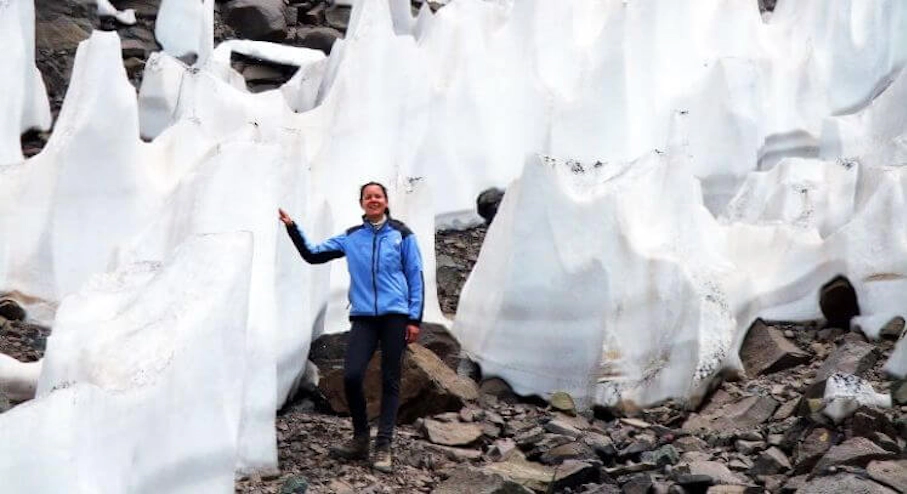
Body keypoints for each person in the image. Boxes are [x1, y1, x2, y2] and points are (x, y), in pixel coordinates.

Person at [278, 181, 424, 473]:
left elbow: (415, 274)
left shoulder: (402, 234)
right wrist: (292, 227)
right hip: (363, 317)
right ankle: (360, 439)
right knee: (352, 376)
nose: (373, 200)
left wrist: (414, 319)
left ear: (385, 201)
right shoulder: (351, 237)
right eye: (368, 197)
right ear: (361, 204)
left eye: (378, 196)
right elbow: (313, 254)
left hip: (395, 315)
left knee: (390, 379)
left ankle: (383, 445)